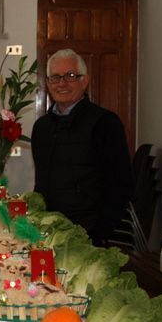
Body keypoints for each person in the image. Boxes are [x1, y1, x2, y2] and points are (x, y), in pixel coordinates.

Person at [30, 49, 134, 246]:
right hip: (51, 233)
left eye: (70, 76)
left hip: (91, 233)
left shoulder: (105, 123)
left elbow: (121, 184)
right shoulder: (41, 128)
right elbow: (42, 183)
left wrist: (99, 232)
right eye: (55, 77)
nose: (62, 83)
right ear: (48, 84)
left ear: (84, 81)